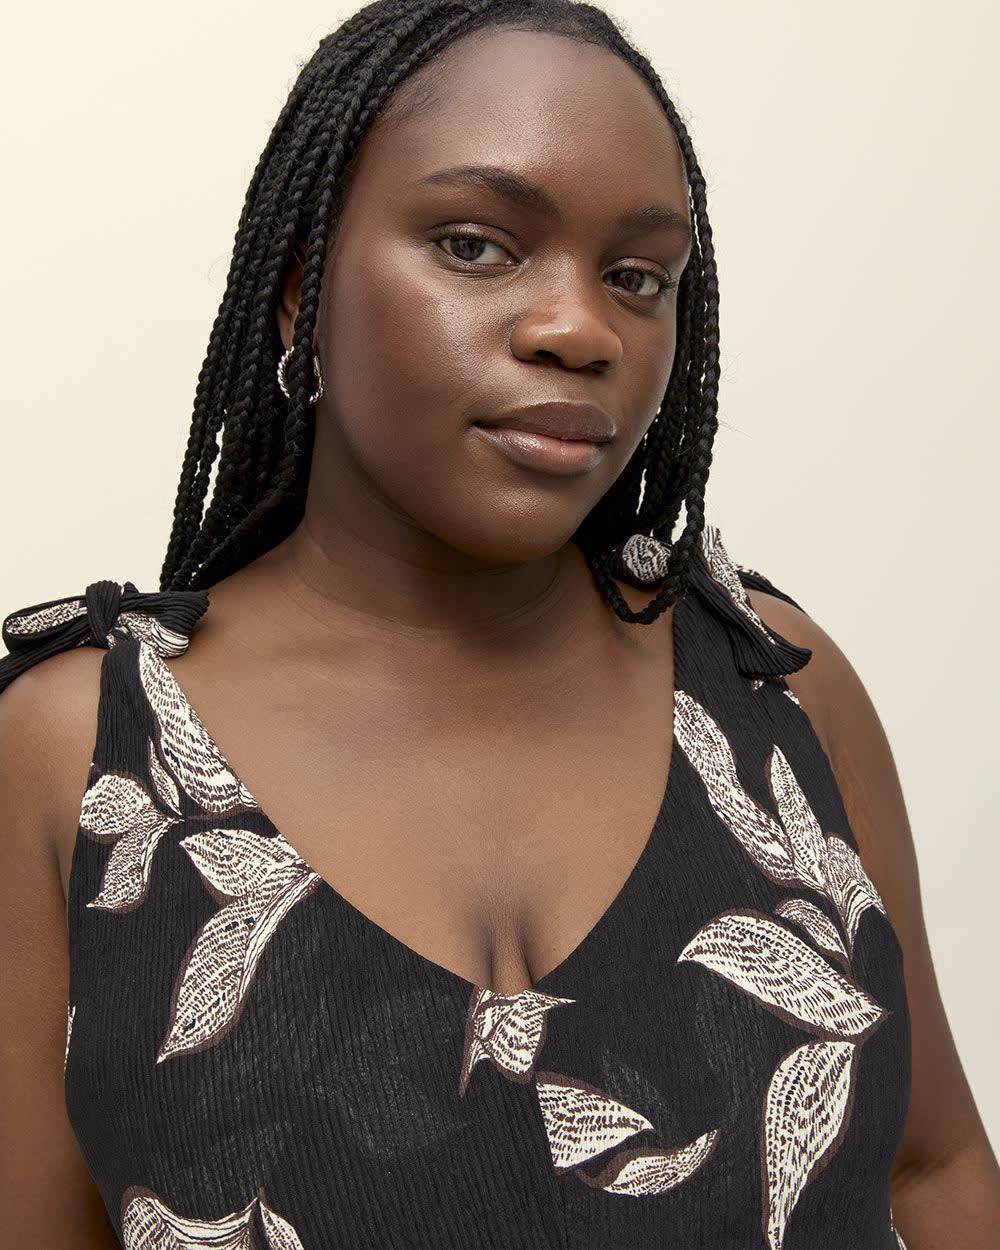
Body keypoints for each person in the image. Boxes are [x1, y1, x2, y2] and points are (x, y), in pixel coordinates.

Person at [1, 1, 997, 1246]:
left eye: (637, 277)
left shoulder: (774, 685)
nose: (579, 329)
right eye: (475, 245)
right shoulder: (80, 754)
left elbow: (934, 1164)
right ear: (301, 293)